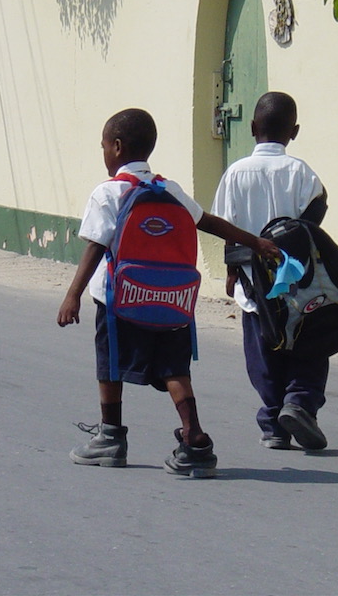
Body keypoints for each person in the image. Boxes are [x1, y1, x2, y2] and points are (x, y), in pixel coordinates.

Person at [57, 107, 279, 476]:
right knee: (175, 367)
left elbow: (95, 245)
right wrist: (254, 241)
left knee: (110, 364)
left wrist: (72, 295)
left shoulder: (108, 192)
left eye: (103, 147)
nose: (103, 155)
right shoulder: (169, 189)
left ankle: (110, 437)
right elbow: (208, 222)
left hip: (118, 300)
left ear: (116, 146)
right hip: (171, 299)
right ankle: (193, 437)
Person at [211, 91, 330, 451]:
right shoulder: (301, 172)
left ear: (251, 127)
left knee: (262, 350)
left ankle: (274, 419)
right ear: (293, 132)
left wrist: (231, 273)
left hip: (252, 282)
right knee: (308, 344)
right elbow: (315, 218)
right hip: (297, 281)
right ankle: (300, 403)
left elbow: (226, 227)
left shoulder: (234, 173)